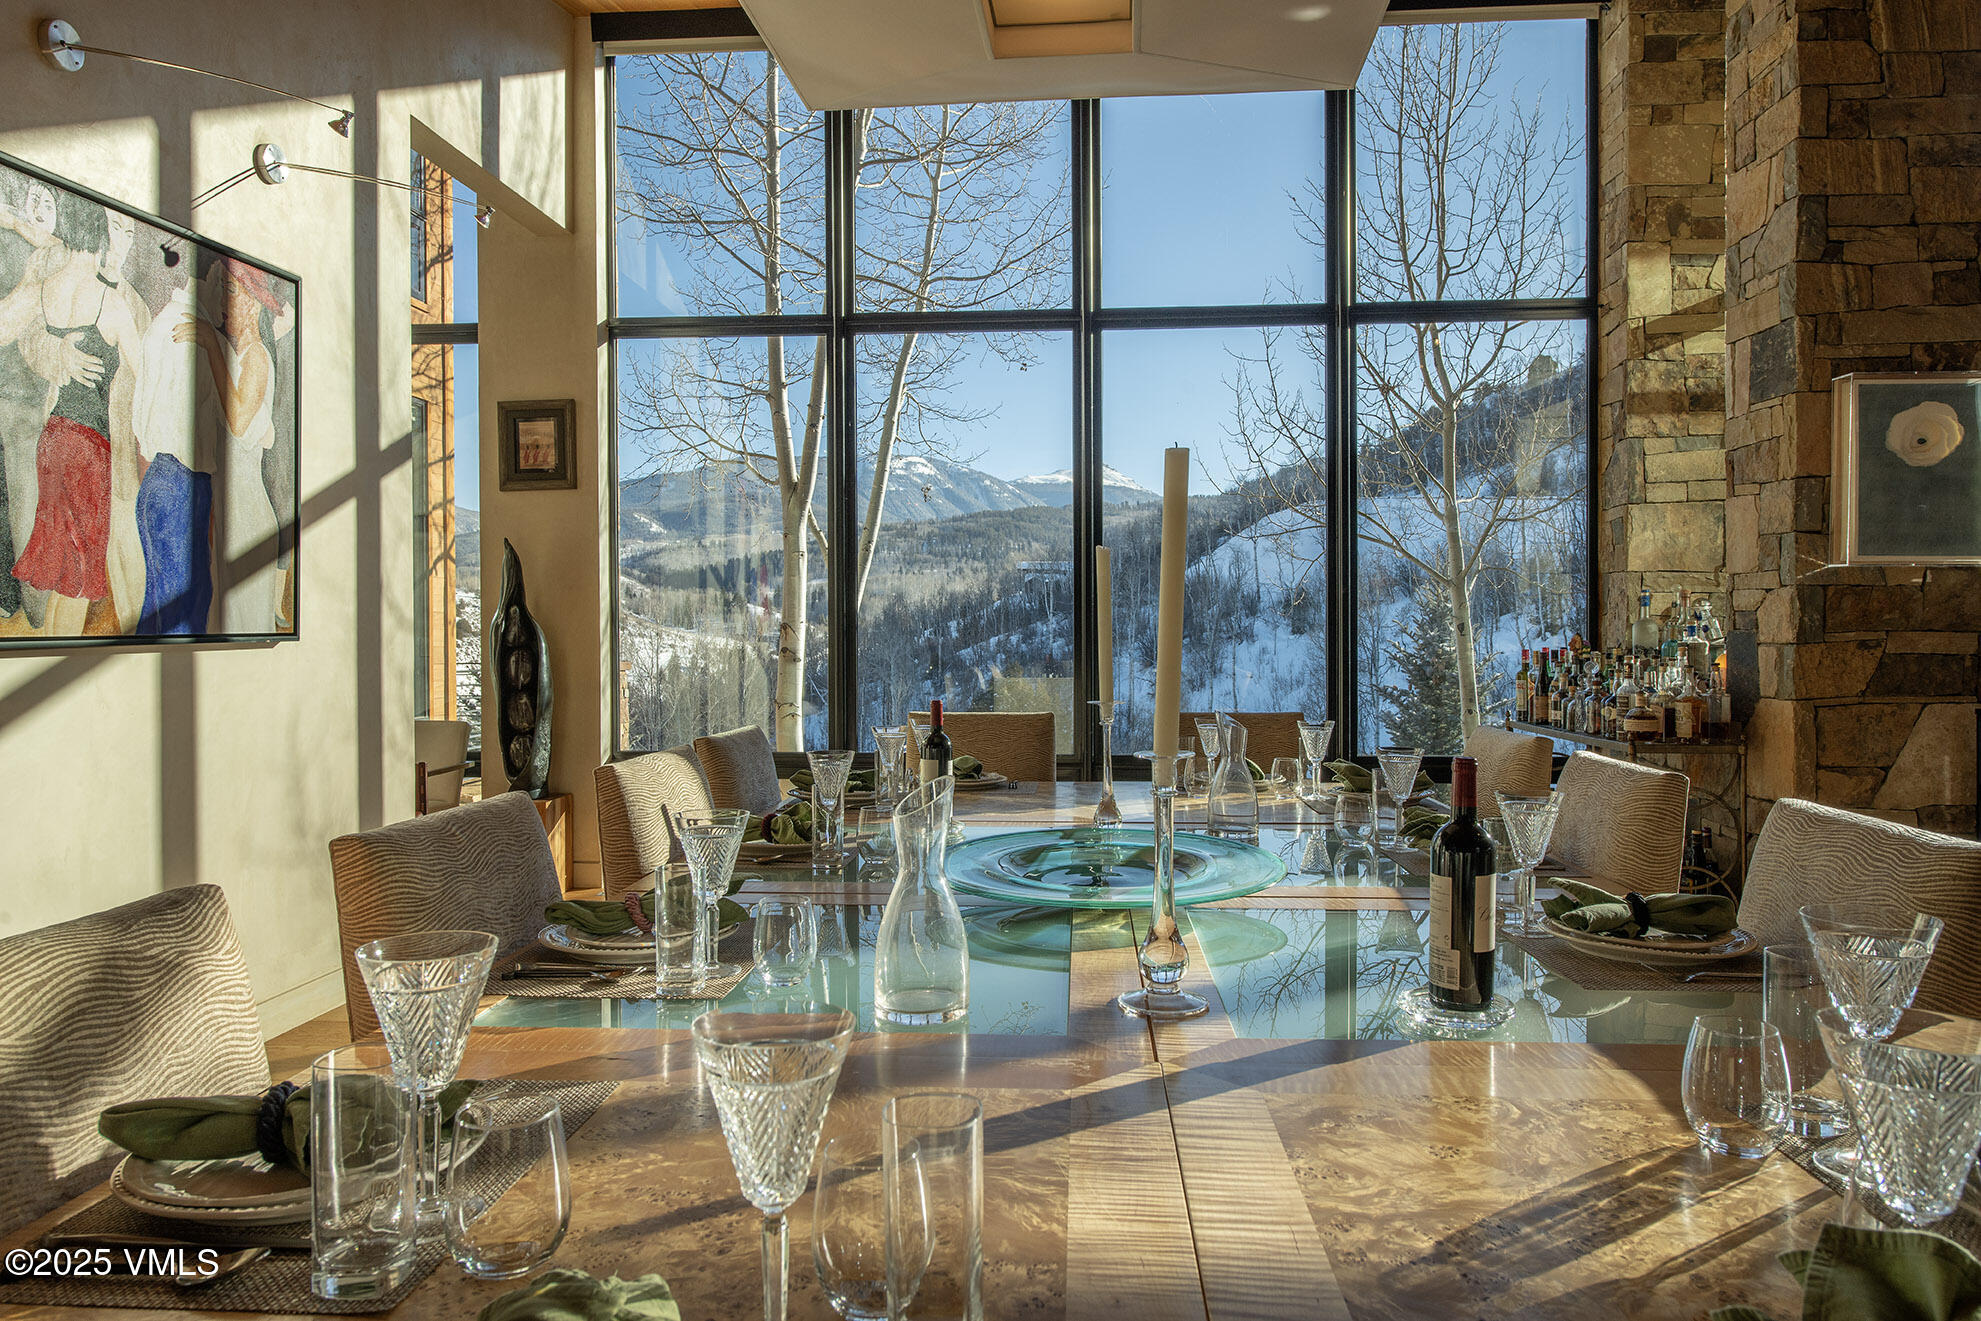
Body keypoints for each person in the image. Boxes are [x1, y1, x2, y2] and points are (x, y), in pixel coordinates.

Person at [6, 192, 144, 636]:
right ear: (103, 238)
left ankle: (53, 642)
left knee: (62, 564)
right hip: (91, 449)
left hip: (54, 438)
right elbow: (149, 374)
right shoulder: (110, 302)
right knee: (80, 572)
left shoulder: (45, 289)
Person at [178, 256, 287, 634]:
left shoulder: (256, 358)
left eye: (231, 292)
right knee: (226, 621)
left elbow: (239, 423)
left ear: (254, 301)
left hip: (248, 517)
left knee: (240, 621)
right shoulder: (238, 354)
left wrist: (210, 343)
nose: (224, 303)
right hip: (232, 509)